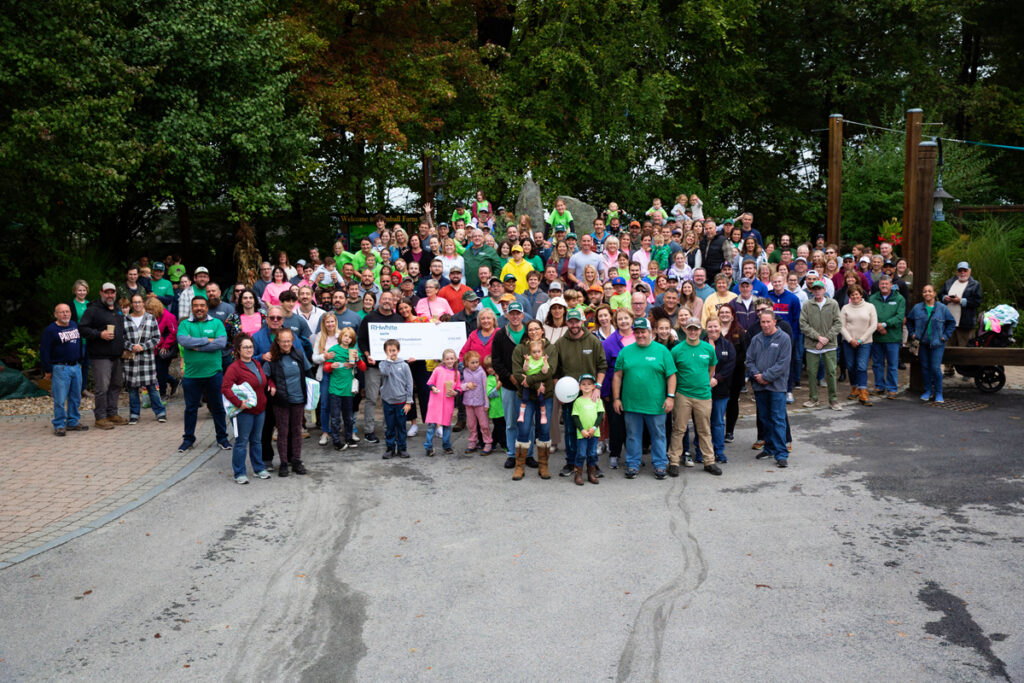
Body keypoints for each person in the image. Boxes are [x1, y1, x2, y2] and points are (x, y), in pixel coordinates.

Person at [613, 318, 676, 480]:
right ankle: (633, 464)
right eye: (637, 332)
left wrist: (670, 397)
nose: (640, 335)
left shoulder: (662, 351)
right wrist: (616, 398)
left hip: (656, 404)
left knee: (658, 434)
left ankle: (660, 464)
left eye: (643, 331)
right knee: (633, 435)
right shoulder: (625, 352)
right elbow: (617, 376)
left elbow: (671, 376)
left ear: (651, 332)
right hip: (631, 403)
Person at [553, 308, 608, 477]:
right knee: (571, 429)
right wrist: (559, 393)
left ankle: (592, 464)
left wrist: (597, 387)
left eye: (577, 321)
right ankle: (571, 462)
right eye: (571, 321)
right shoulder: (560, 343)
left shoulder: (593, 341)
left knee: (591, 430)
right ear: (567, 322)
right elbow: (556, 372)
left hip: (590, 394)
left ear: (582, 321)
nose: (574, 325)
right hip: (570, 396)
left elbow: (602, 366)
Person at [668, 318, 722, 477]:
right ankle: (674, 461)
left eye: (696, 329)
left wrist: (705, 382)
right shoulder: (677, 350)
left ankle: (709, 461)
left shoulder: (708, 348)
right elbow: (672, 372)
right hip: (683, 395)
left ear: (701, 330)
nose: (693, 332)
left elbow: (712, 367)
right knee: (679, 429)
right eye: (690, 328)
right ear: (685, 329)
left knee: (704, 429)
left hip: (703, 395)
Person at [176, 296, 231, 452]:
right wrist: (208, 340)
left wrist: (197, 346)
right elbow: (183, 341)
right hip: (191, 376)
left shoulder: (216, 323)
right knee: (191, 409)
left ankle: (222, 438)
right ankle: (188, 439)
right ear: (192, 308)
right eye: (195, 306)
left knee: (218, 407)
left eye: (202, 305)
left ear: (207, 307)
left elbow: (220, 343)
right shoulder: (185, 324)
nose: (199, 308)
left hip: (213, 373)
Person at [221, 334, 272, 484]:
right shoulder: (234, 368)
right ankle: (239, 473)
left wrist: (271, 385)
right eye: (245, 347)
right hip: (243, 412)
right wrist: (238, 403)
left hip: (260, 409)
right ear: (238, 350)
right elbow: (225, 388)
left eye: (250, 347)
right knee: (242, 442)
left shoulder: (256, 363)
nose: (249, 350)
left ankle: (259, 468)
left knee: (256, 441)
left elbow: (263, 381)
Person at [511, 320, 558, 479]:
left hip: (546, 396)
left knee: (544, 429)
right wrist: (536, 383)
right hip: (526, 397)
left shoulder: (550, 348)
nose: (534, 331)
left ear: (542, 330)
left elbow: (549, 372)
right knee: (523, 429)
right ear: (527, 332)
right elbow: (517, 373)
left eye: (537, 328)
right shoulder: (520, 349)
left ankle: (543, 466)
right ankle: (519, 467)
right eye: (530, 329)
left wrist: (531, 380)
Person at [746, 311, 792, 468]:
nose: (765, 325)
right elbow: (749, 360)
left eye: (768, 322)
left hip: (777, 387)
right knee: (765, 418)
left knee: (778, 419)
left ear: (774, 322)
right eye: (762, 322)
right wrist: (756, 375)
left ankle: (781, 453)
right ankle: (769, 448)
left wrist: (766, 376)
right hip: (760, 386)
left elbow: (783, 363)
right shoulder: (756, 339)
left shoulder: (784, 339)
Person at [78, 282, 127, 429]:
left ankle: (112, 413)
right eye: (107, 292)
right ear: (101, 293)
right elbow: (82, 329)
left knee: (116, 385)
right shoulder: (93, 310)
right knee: (102, 388)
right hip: (100, 356)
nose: (110, 295)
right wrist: (100, 334)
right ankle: (100, 417)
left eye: (112, 292)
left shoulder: (118, 309)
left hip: (116, 355)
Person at [264, 328, 310, 475]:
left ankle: (296, 460)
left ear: (292, 341)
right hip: (281, 400)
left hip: (298, 399)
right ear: (277, 341)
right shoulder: (272, 358)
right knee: (282, 432)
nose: (286, 344)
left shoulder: (299, 354)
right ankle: (283, 462)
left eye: (288, 341)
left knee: (297, 430)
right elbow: (264, 377)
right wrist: (270, 384)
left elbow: (308, 372)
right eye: (283, 341)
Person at [491, 299, 530, 469]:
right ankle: (512, 454)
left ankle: (528, 454)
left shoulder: (529, 332)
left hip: (529, 385)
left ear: (522, 315)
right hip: (508, 385)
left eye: (518, 313)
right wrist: (509, 377)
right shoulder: (500, 334)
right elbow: (496, 360)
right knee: (511, 422)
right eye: (511, 313)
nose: (515, 316)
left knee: (529, 422)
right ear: (507, 315)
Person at [41, 303, 87, 436]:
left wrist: (80, 360)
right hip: (60, 368)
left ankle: (73, 422)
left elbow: (78, 344)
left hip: (76, 366)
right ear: (56, 314)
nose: (65, 314)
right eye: (62, 312)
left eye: (67, 311)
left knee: (76, 397)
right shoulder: (50, 330)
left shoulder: (74, 325)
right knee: (60, 399)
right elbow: (44, 351)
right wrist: (47, 370)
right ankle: (60, 424)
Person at [908, 284, 957, 403]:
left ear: (934, 293)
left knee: (935, 368)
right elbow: (909, 320)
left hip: (937, 344)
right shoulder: (917, 308)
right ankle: (928, 391)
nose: (927, 293)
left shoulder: (942, 308)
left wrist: (945, 336)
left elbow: (951, 323)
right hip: (923, 343)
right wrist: (912, 333)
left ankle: (939, 393)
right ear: (922, 294)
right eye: (925, 291)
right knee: (925, 368)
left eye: (930, 291)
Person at [122, 294, 166, 424]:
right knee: (132, 388)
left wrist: (143, 346)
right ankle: (134, 414)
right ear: (131, 304)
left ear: (143, 303)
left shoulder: (150, 318)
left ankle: (160, 412)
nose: (137, 304)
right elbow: (121, 339)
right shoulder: (125, 319)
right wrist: (131, 346)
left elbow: (157, 337)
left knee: (152, 387)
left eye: (139, 302)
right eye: (134, 302)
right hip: (131, 360)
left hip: (147, 359)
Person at [799, 279, 843, 409]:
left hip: (829, 345)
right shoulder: (807, 305)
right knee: (812, 373)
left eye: (820, 289)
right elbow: (803, 324)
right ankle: (813, 399)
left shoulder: (833, 304)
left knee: (831, 372)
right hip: (812, 345)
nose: (817, 291)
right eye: (815, 289)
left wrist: (826, 339)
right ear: (812, 291)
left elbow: (838, 323)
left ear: (824, 290)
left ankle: (833, 400)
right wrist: (818, 337)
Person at [324, 326, 365, 450]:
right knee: (335, 417)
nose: (347, 339)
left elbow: (363, 368)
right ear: (341, 336)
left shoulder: (354, 351)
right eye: (345, 336)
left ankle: (348, 437)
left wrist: (357, 360)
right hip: (335, 389)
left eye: (350, 337)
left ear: (353, 340)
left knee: (348, 416)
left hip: (349, 390)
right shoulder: (333, 350)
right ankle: (336, 440)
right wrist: (332, 366)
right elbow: (326, 368)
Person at [704, 318, 735, 465]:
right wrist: (706, 379)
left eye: (715, 326)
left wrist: (717, 379)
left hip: (721, 390)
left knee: (717, 422)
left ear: (720, 327)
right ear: (705, 328)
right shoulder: (700, 344)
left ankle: (719, 451)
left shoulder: (727, 345)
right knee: (702, 423)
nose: (713, 329)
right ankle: (701, 451)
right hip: (702, 390)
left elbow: (731, 364)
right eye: (710, 327)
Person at [939, 261, 983, 368]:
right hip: (949, 322)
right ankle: (948, 370)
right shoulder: (949, 282)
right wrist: (945, 298)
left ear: (969, 271)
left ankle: (967, 371)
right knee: (948, 348)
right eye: (960, 270)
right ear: (957, 272)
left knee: (965, 349)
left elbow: (977, 301)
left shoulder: (975, 284)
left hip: (965, 323)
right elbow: (941, 294)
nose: (962, 273)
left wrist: (961, 301)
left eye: (965, 270)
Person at [840, 284, 878, 406]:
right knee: (850, 366)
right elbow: (841, 326)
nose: (855, 296)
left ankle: (863, 391)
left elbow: (873, 325)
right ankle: (854, 387)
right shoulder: (845, 308)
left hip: (865, 342)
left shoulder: (870, 307)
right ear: (849, 296)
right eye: (852, 294)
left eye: (857, 294)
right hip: (848, 342)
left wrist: (861, 340)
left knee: (861, 366)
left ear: (861, 294)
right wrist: (850, 339)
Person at [869, 275, 906, 399]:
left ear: (891, 285)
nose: (884, 286)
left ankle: (892, 389)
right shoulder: (872, 298)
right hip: (876, 337)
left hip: (892, 337)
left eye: (886, 284)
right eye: (882, 284)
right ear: (879, 285)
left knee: (892, 364)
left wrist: (885, 324)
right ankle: (879, 386)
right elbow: (869, 315)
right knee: (877, 364)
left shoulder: (899, 299)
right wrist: (878, 326)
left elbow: (900, 317)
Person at [377, 339, 414, 459]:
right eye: (389, 351)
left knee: (401, 426)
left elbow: (409, 384)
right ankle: (390, 448)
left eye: (394, 350)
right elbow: (385, 372)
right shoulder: (383, 364)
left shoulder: (404, 365)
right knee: (390, 426)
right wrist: (388, 360)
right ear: (385, 351)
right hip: (388, 401)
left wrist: (409, 401)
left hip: (401, 402)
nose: (392, 353)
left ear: (398, 350)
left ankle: (402, 448)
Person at [424, 349, 461, 456]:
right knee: (431, 425)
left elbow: (458, 387)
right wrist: (433, 388)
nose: (449, 361)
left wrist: (455, 392)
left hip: (448, 403)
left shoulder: (456, 373)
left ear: (455, 360)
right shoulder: (438, 370)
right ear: (443, 360)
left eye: (451, 358)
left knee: (447, 425)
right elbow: (430, 382)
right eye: (447, 359)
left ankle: (446, 445)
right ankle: (428, 447)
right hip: (435, 402)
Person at [570, 374, 604, 485]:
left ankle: (591, 474)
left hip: (594, 433)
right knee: (580, 454)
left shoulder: (597, 400)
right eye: (583, 384)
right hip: (582, 434)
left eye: (589, 384)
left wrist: (594, 428)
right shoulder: (578, 401)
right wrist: (582, 430)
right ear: (579, 387)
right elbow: (575, 417)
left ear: (594, 386)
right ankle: (578, 474)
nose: (586, 386)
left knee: (592, 453)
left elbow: (600, 415)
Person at [461, 351, 493, 454]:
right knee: (471, 424)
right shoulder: (464, 372)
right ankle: (473, 442)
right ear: (466, 363)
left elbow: (485, 389)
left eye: (477, 362)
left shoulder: (481, 372)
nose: (475, 365)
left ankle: (488, 442)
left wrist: (486, 404)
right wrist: (467, 386)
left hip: (480, 404)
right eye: (472, 363)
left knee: (484, 424)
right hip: (468, 403)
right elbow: (459, 386)